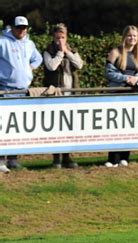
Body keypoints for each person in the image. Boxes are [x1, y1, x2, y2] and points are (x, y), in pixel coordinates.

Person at [0, 16, 42, 173]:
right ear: (12, 27)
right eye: (19, 27)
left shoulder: (29, 43)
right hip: (6, 89)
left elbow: (37, 58)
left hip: (23, 91)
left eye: (24, 27)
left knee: (17, 128)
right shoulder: (3, 42)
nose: (22, 30)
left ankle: (13, 159)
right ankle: (1, 160)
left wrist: (30, 67)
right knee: (3, 127)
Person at [43, 23, 84, 168]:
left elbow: (79, 65)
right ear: (53, 37)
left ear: (66, 37)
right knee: (56, 127)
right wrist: (60, 52)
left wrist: (68, 52)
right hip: (55, 94)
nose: (60, 40)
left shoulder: (72, 49)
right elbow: (51, 66)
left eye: (63, 37)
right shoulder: (48, 51)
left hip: (71, 94)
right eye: (57, 37)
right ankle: (56, 158)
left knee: (69, 127)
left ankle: (68, 157)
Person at [104, 25, 138, 168]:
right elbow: (109, 73)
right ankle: (112, 159)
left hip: (132, 95)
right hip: (117, 94)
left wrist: (137, 79)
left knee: (129, 126)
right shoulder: (115, 52)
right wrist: (125, 78)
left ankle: (124, 157)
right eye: (129, 35)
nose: (132, 38)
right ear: (124, 37)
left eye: (135, 36)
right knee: (115, 126)